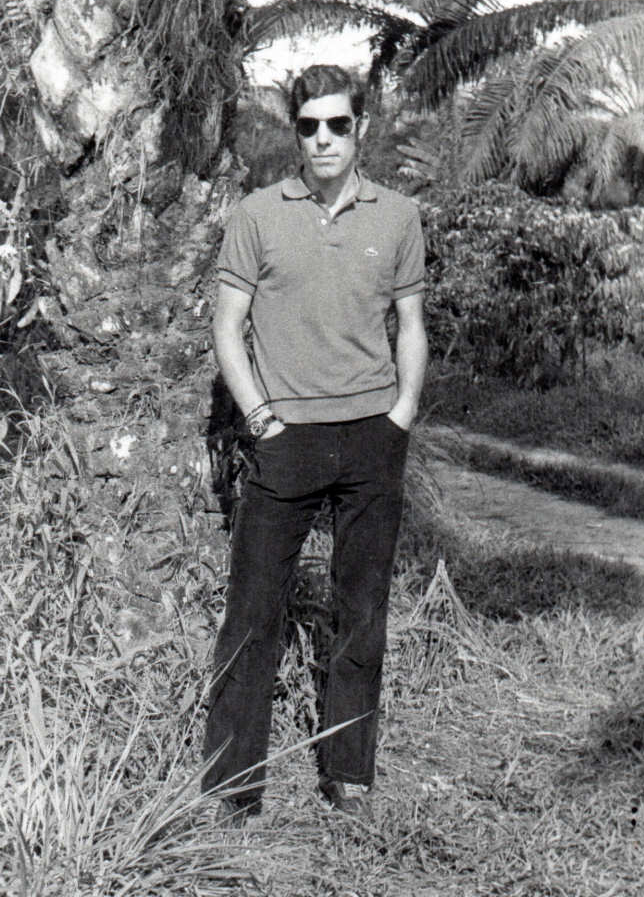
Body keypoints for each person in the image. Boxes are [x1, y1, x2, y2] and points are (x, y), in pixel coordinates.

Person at [202, 64, 428, 817]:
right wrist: (260, 416)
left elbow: (411, 324)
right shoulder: (257, 215)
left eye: (337, 124)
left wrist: (401, 413)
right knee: (252, 611)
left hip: (372, 437)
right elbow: (227, 327)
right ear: (294, 131)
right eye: (309, 126)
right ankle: (233, 788)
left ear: (360, 128)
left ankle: (348, 774)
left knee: (361, 609)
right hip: (285, 439)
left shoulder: (397, 217)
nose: (323, 139)